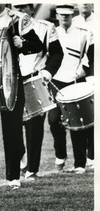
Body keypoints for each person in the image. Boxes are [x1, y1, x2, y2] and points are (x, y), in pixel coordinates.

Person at [0, 4, 43, 188]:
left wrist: (23, 45)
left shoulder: (18, 18)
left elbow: (38, 44)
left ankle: (13, 176)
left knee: (12, 128)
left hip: (11, 77)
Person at [14, 4, 63, 180]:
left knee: (34, 128)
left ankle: (32, 169)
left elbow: (57, 54)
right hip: (12, 82)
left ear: (31, 9)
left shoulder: (45, 27)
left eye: (23, 7)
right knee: (13, 127)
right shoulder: (7, 27)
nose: (20, 11)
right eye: (16, 7)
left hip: (35, 79)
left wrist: (48, 71)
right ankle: (21, 157)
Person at [48, 4, 94, 174]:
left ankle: (80, 164)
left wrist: (88, 76)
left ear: (72, 14)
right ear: (57, 15)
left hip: (76, 80)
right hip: (56, 80)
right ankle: (60, 155)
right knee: (54, 120)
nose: (64, 18)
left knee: (78, 123)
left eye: (67, 15)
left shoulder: (84, 33)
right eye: (61, 15)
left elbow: (91, 57)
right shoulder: (51, 32)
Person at [73, 3, 94, 169]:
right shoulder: (74, 22)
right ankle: (81, 159)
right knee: (83, 115)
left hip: (92, 72)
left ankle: (93, 155)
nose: (84, 3)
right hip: (79, 75)